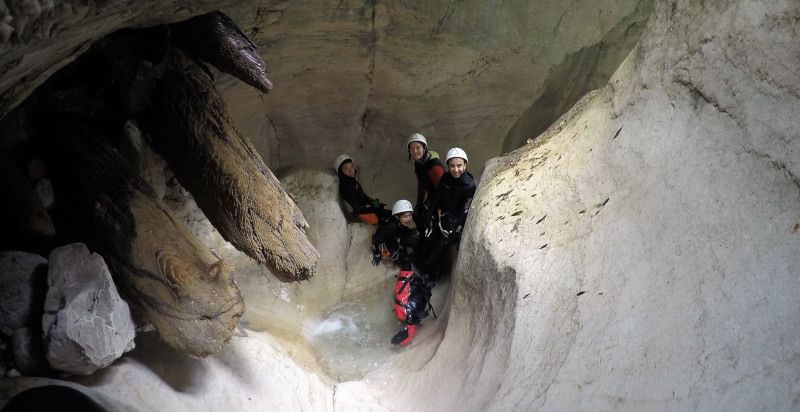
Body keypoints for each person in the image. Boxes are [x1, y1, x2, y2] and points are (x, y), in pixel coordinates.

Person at [419, 147, 476, 285]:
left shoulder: (469, 185)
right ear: (448, 166)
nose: (455, 169)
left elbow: (464, 211)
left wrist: (455, 231)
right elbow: (437, 197)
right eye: (452, 166)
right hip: (442, 215)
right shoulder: (445, 178)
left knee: (437, 249)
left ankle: (435, 276)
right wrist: (428, 217)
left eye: (459, 166)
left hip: (453, 222)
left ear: (465, 165)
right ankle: (430, 267)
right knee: (430, 241)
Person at [335, 154, 391, 224]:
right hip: (364, 214)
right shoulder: (347, 188)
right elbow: (358, 209)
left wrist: (372, 201)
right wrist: (373, 205)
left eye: (351, 167)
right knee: (393, 218)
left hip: (367, 209)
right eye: (346, 169)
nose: (351, 171)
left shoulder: (351, 181)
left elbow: (361, 195)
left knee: (394, 214)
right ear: (341, 173)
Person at [407, 133, 445, 230]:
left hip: (442, 200)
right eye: (412, 148)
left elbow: (443, 190)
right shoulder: (419, 164)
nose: (415, 151)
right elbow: (422, 183)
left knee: (427, 218)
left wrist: (434, 208)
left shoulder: (433, 165)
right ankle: (424, 238)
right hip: (433, 197)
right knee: (417, 214)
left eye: (418, 147)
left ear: (424, 147)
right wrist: (419, 201)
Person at [371, 200, 420, 270]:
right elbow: (375, 238)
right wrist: (377, 254)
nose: (408, 219)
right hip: (388, 244)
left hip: (395, 236)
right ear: (397, 217)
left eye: (410, 215)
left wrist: (409, 233)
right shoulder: (390, 226)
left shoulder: (398, 219)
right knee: (406, 258)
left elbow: (402, 228)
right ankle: (405, 278)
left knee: (415, 243)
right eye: (405, 216)